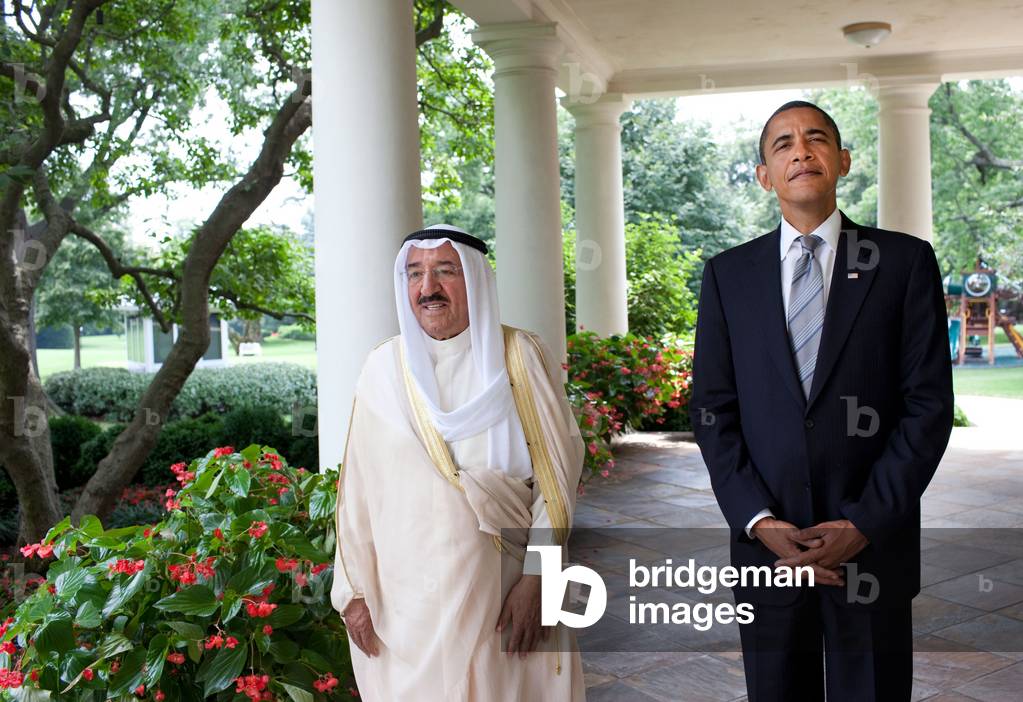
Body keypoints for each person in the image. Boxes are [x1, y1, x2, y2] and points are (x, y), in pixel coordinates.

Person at [690, 101, 954, 701]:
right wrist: (759, 521)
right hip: (769, 551)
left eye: (815, 139)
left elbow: (927, 406)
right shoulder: (728, 275)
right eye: (782, 144)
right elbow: (713, 409)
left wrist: (864, 522)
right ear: (764, 175)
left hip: (871, 547)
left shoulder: (903, 262)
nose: (800, 151)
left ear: (842, 161)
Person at [330, 224, 586, 701]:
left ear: (476, 280)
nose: (427, 289)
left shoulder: (521, 358)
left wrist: (538, 580)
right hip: (403, 609)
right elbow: (357, 493)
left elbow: (556, 480)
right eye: (415, 274)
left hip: (504, 593)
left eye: (445, 272)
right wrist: (354, 592)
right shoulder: (382, 369)